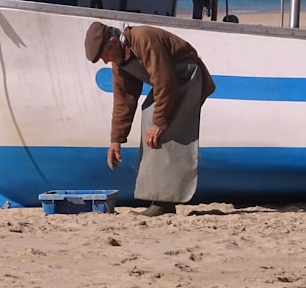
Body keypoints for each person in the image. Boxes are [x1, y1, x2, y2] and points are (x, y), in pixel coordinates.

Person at [84, 21, 216, 216]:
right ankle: (160, 200)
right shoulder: (119, 60)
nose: (105, 61)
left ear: (113, 41)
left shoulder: (144, 39)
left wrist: (160, 122)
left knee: (164, 133)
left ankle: (164, 204)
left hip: (186, 77)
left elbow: (165, 81)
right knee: (150, 123)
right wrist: (116, 140)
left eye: (105, 56)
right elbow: (124, 100)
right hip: (169, 85)